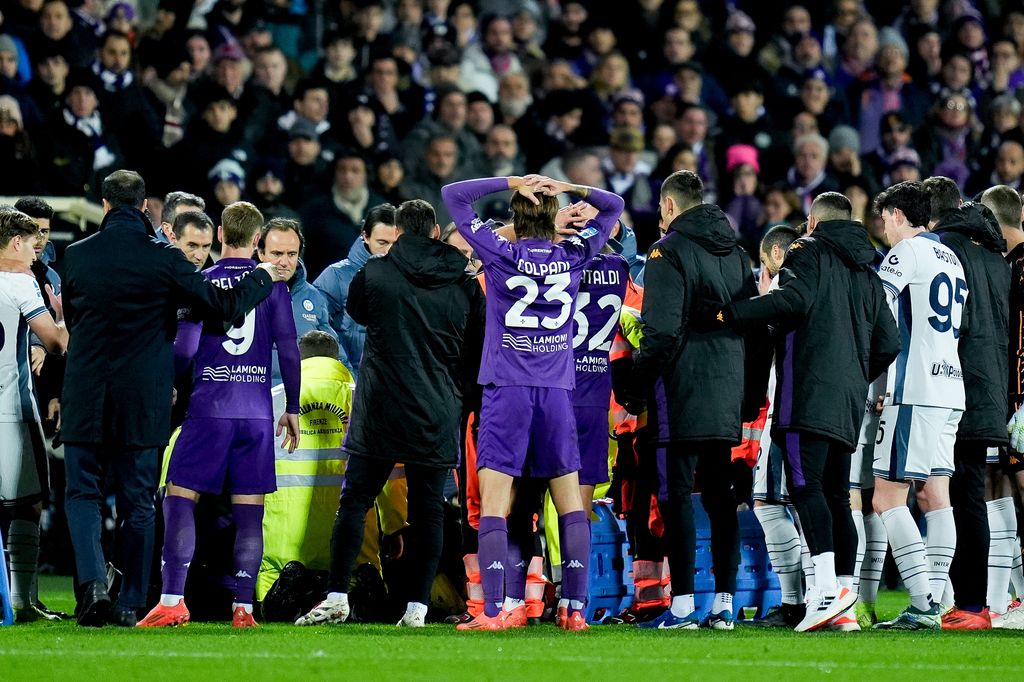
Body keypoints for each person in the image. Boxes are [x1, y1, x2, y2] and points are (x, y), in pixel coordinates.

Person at [60, 170, 286, 627]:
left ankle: (92, 591)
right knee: (139, 500)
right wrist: (263, 276)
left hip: (85, 391)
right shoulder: (163, 259)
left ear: (105, 205)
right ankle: (128, 602)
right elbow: (221, 307)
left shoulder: (75, 255)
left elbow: (77, 319)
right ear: (146, 208)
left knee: (82, 493)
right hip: (144, 398)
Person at [441, 174, 624, 632]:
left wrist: (511, 180)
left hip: (508, 390)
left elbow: (453, 196)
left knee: (496, 503)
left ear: (515, 221)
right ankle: (575, 610)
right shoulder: (574, 253)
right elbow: (614, 205)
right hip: (559, 393)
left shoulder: (500, 252)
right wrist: (566, 186)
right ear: (553, 219)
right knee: (570, 505)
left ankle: (495, 610)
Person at [715, 191, 900, 632]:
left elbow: (793, 302)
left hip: (807, 394)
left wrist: (731, 314)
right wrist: (857, 375)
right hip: (848, 402)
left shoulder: (807, 250)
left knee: (805, 488)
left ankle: (823, 594)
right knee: (837, 496)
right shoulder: (869, 269)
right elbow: (889, 343)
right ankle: (844, 599)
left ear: (812, 223)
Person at [295, 199, 485, 629]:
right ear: (436, 233)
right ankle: (417, 607)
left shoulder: (376, 272)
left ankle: (338, 595)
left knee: (356, 501)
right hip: (436, 410)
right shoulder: (463, 281)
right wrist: (462, 400)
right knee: (428, 511)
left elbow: (360, 312)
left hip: (380, 408)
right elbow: (478, 346)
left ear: (397, 233)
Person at [138, 201, 301, 629]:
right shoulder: (275, 287)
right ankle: (243, 607)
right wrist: (295, 409)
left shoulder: (201, 282)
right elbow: (289, 349)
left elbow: (186, 349)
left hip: (210, 410)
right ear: (258, 239)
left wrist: (173, 381)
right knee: (250, 513)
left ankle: (173, 599)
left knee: (179, 500)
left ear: (222, 236)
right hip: (257, 415)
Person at [624, 170, 761, 632]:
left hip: (679, 390)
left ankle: (681, 606)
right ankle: (724, 604)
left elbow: (660, 332)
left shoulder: (668, 251)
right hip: (726, 387)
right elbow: (749, 326)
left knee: (676, 496)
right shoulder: (739, 256)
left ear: (666, 206)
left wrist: (635, 385)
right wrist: (748, 394)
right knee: (722, 499)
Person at [870, 181, 967, 631]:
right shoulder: (951, 257)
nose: (884, 230)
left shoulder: (905, 251)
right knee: (935, 495)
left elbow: (878, 312)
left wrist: (875, 380)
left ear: (895, 215)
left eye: (884, 219)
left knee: (887, 496)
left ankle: (923, 601)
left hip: (915, 387)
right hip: (951, 388)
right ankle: (939, 596)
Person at [927, 178, 1008, 630]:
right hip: (988, 385)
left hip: (951, 386)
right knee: (967, 494)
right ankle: (970, 601)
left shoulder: (942, 248)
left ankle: (968, 604)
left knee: (952, 495)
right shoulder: (993, 253)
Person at [0, 209, 68, 622]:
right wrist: (60, 314)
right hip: (12, 409)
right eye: (30, 243)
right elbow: (56, 343)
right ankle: (23, 601)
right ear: (14, 243)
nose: (34, 250)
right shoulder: (22, 282)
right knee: (28, 504)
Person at [747, 225, 807, 629]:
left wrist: (763, 299)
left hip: (786, 410)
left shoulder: (786, 288)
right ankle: (823, 596)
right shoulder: (821, 282)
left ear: (776, 255)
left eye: (764, 262)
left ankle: (796, 602)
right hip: (822, 407)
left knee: (771, 503)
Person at [986, 184, 1024, 629]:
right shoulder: (1008, 266)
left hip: (1020, 400)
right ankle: (1005, 602)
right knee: (1004, 490)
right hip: (1008, 398)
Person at [314, 204, 399, 376]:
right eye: (382, 243)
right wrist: (344, 372)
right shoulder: (335, 276)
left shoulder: (410, 277)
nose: (390, 250)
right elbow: (315, 326)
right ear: (365, 236)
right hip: (350, 382)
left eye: (396, 243)